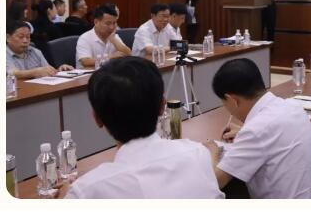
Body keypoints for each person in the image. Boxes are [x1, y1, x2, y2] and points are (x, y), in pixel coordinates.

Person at [58, 57, 224, 199]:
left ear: (97, 118)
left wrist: (67, 196)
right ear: (162, 106)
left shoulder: (87, 190)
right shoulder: (197, 153)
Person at [204, 58, 311, 199]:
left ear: (233, 100)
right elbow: (271, 133)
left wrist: (213, 151)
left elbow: (216, 182)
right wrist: (244, 132)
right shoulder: (293, 106)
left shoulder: (255, 131)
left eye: (224, 103)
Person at [6, 21, 73, 79]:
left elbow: (47, 70)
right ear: (8, 38)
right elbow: (12, 73)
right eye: (21, 37)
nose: (25, 41)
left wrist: (60, 70)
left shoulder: (35, 52)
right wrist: (35, 72)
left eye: (28, 37)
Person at [75, 4, 131, 69]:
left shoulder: (114, 36)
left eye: (114, 23)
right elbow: (85, 61)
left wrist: (114, 40)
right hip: (89, 74)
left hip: (109, 72)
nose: (112, 27)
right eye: (108, 23)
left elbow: (129, 54)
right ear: (96, 22)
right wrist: (110, 58)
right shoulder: (85, 38)